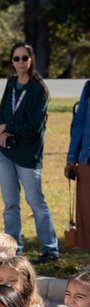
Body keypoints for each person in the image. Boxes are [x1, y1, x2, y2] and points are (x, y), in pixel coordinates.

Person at [0, 42, 58, 263]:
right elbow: (1, 113)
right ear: (12, 62)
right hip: (6, 153)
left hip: (28, 155)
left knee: (36, 202)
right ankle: (13, 248)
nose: (20, 62)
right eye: (16, 58)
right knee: (10, 203)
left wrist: (7, 131)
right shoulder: (11, 83)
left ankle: (50, 249)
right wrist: (1, 131)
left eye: (24, 58)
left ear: (31, 60)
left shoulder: (38, 89)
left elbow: (34, 127)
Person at [65, 78, 90, 249]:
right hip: (87, 160)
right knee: (87, 215)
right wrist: (72, 159)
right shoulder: (89, 87)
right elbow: (79, 123)